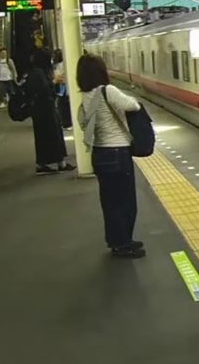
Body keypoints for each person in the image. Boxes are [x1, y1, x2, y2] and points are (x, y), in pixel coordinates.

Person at [77, 54, 145, 258]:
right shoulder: (108, 90)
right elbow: (133, 106)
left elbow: (82, 122)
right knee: (125, 201)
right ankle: (123, 244)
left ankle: (116, 240)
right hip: (117, 152)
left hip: (99, 154)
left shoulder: (86, 96)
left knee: (110, 201)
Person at [25, 49, 74, 174]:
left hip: (43, 111)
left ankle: (51, 163)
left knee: (47, 138)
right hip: (45, 111)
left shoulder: (37, 72)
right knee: (53, 137)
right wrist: (54, 82)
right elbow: (44, 90)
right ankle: (54, 164)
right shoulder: (38, 73)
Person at [52, 49, 72, 129]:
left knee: (63, 106)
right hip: (63, 89)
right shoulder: (62, 64)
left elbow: (59, 76)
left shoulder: (60, 65)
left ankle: (66, 123)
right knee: (64, 106)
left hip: (63, 89)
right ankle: (66, 123)